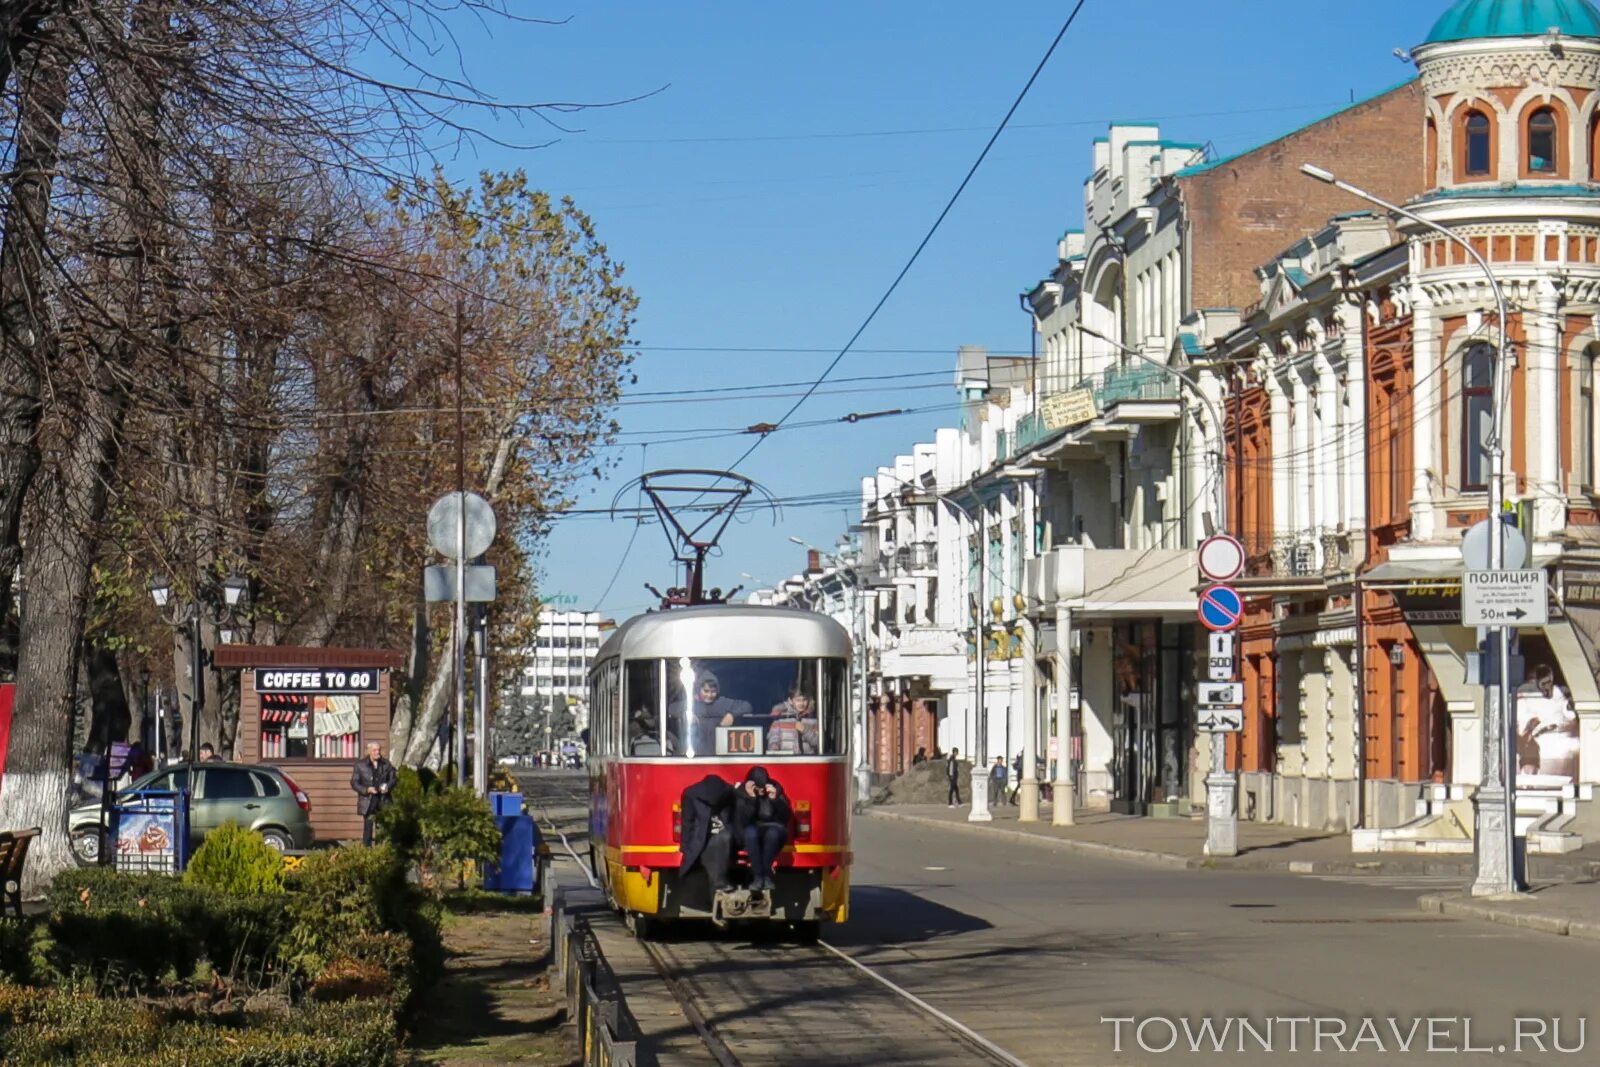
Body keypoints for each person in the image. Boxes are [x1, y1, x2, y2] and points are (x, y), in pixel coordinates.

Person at [1516, 663, 1580, 783]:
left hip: (1562, 737)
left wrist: (1570, 707)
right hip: (1540, 740)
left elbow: (1568, 713)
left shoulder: (1556, 691)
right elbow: (1523, 726)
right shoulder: (1523, 695)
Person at [734, 766, 791, 893]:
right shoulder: (741, 793)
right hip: (750, 827)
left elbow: (785, 816)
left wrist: (775, 799)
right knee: (751, 834)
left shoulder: (775, 789)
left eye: (763, 787)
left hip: (773, 826)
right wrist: (752, 798)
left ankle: (766, 874)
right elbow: (743, 820)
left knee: (773, 834)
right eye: (758, 788)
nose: (761, 790)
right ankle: (758, 876)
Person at [669, 671, 752, 755]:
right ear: (699, 689)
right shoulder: (690, 703)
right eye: (706, 691)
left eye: (713, 692)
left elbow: (747, 706)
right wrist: (686, 713)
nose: (709, 695)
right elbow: (671, 708)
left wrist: (731, 714)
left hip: (718, 755)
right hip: (693, 755)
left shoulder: (723, 703)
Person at [678, 774, 737, 893]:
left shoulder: (730, 793)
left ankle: (718, 884)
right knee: (712, 846)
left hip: (721, 835)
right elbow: (687, 822)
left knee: (722, 839)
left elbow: (735, 818)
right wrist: (684, 846)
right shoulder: (691, 795)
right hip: (701, 836)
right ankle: (718, 884)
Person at [351, 741, 398, 846]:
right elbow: (354, 783)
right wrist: (367, 789)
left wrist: (387, 786)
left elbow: (393, 778)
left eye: (379, 750)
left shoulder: (386, 764)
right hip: (369, 800)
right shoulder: (360, 765)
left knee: (382, 828)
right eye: (375, 750)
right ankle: (367, 852)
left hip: (383, 799)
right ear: (369, 752)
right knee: (368, 828)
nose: (378, 752)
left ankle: (381, 850)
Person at [766, 687, 819, 755]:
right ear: (790, 701)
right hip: (786, 760)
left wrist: (805, 730)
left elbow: (818, 744)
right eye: (798, 700)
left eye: (804, 700)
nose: (801, 703)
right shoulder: (780, 720)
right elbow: (773, 739)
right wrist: (774, 747)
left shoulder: (814, 721)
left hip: (807, 761)